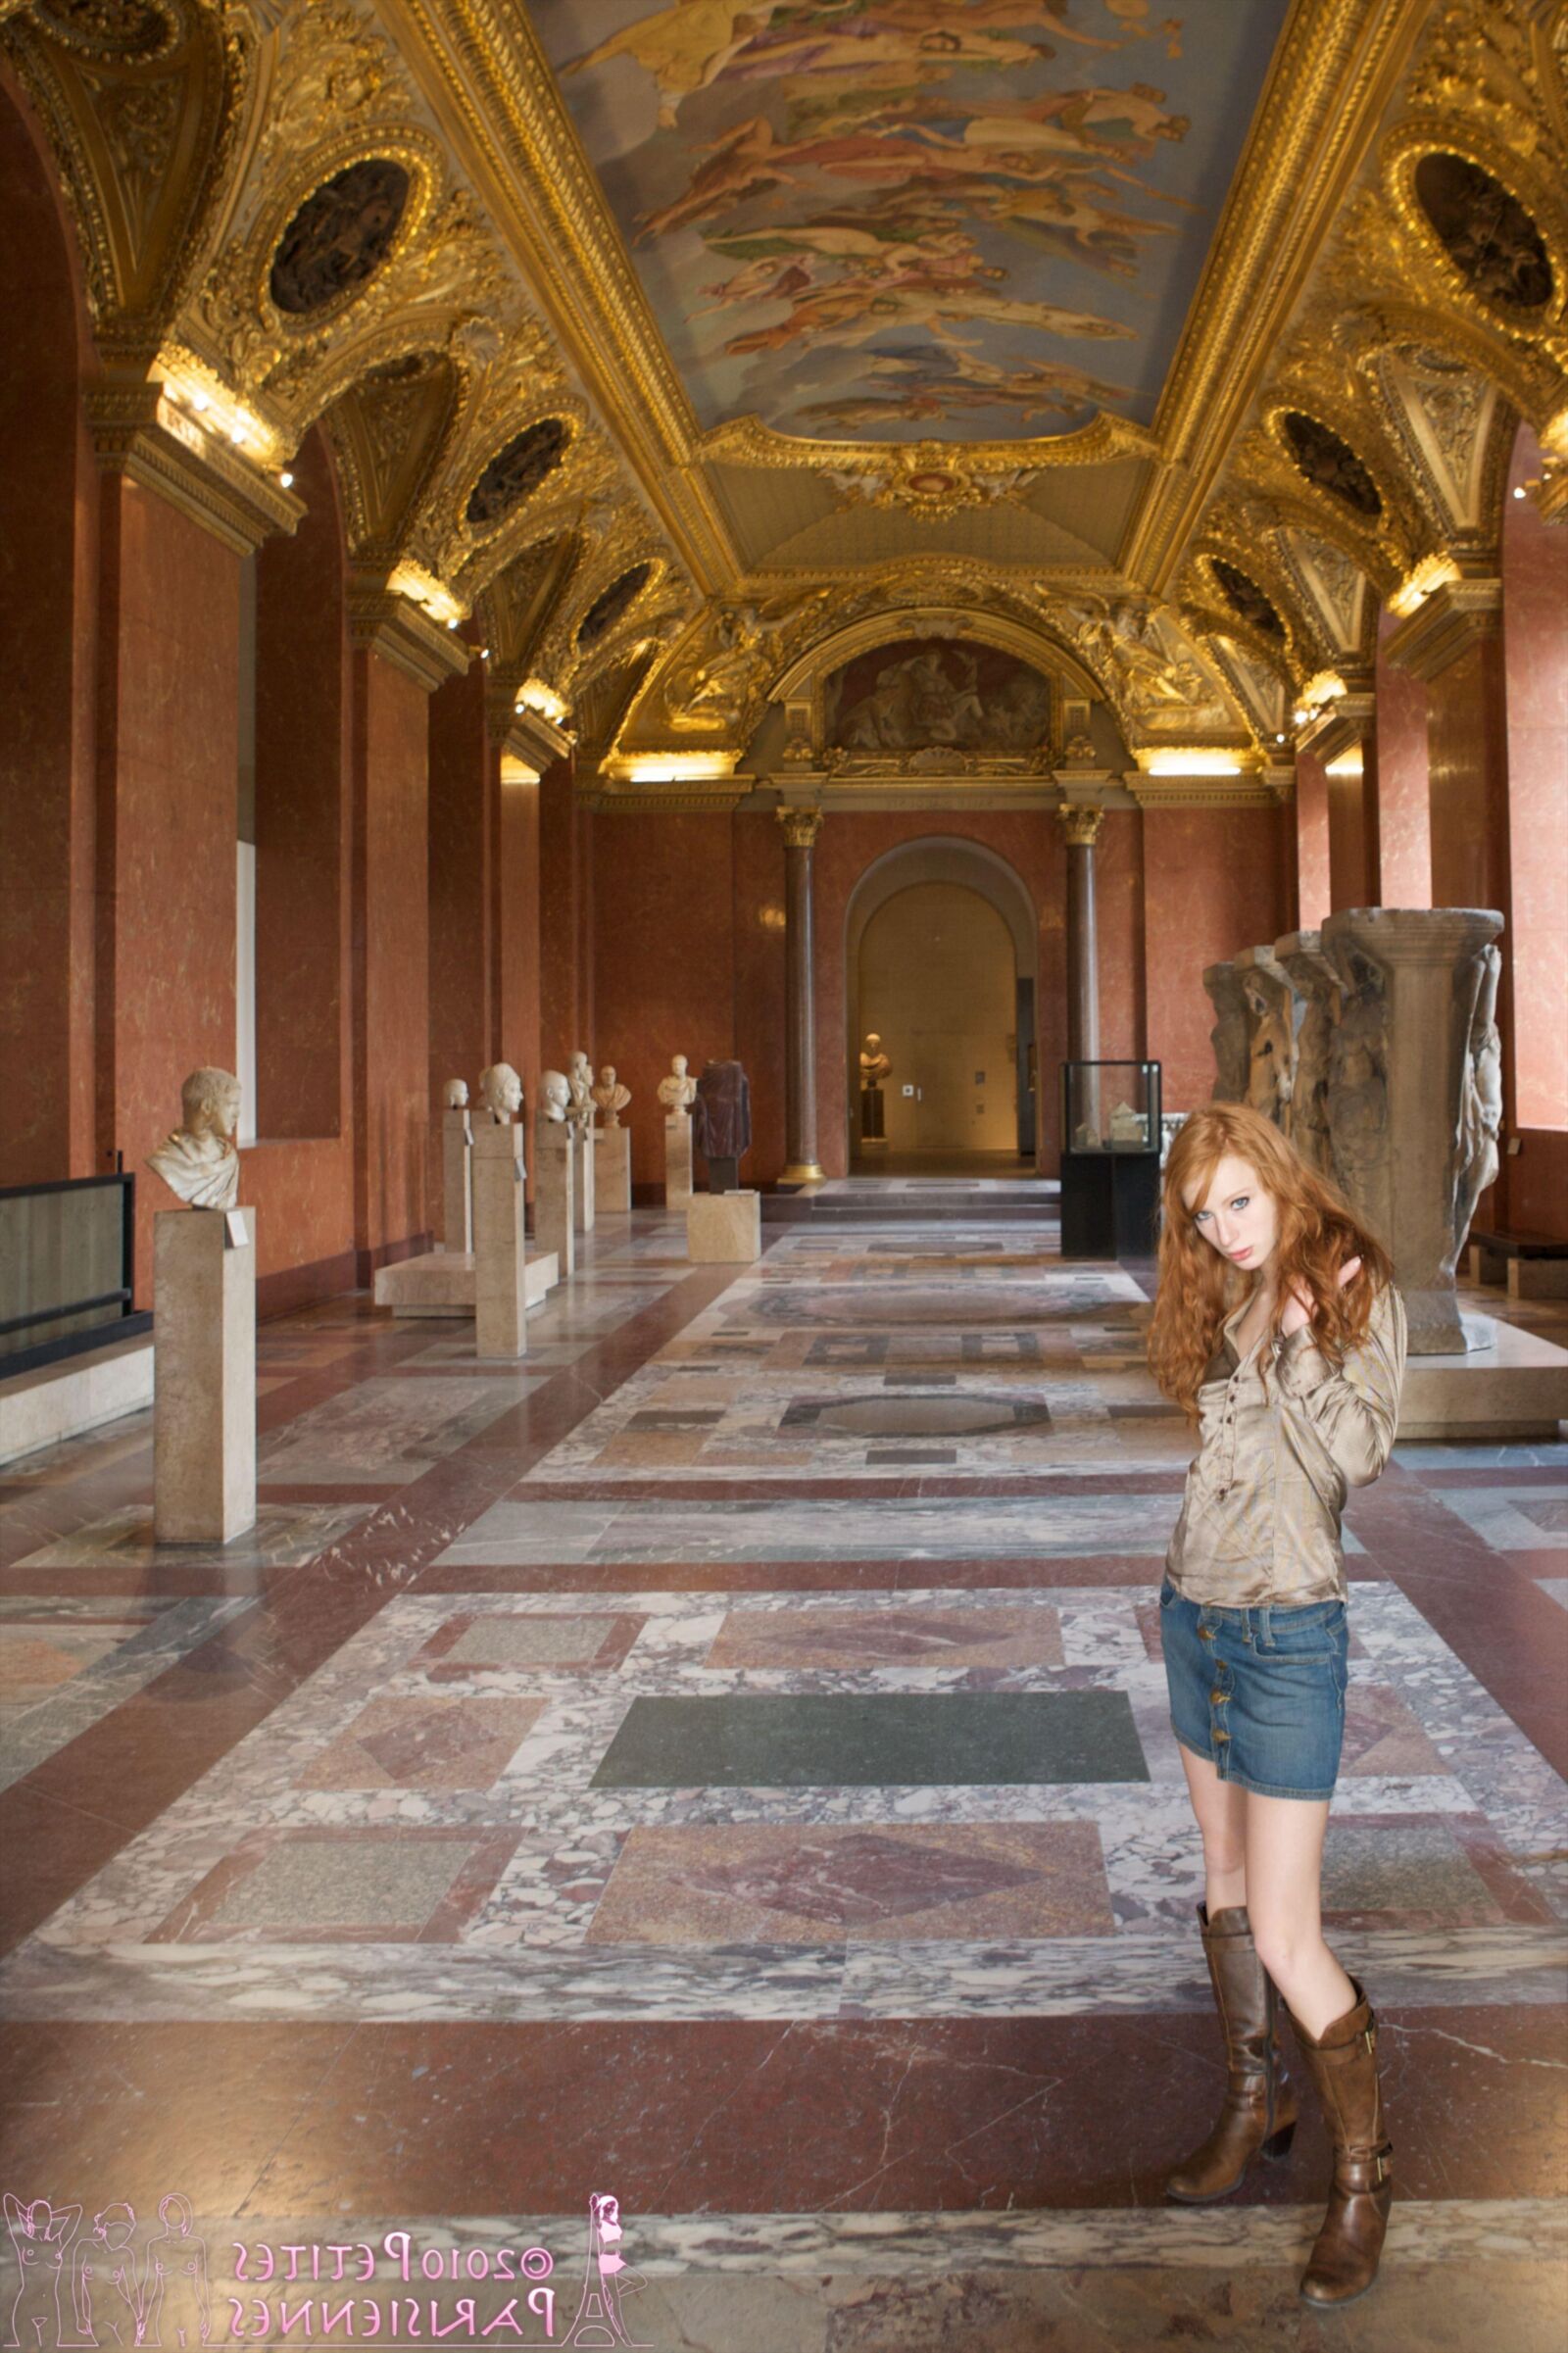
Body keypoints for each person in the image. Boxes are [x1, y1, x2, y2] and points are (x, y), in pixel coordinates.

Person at [1146, 1101, 1406, 2309]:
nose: (1228, 1231)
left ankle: (1363, 2174)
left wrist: (1301, 1339)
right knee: (1222, 1873)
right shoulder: (1228, 1290)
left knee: (1287, 1931)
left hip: (1290, 1635)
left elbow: (1355, 1458)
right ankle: (1259, 2103)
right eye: (1206, 1216)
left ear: (1282, 1179)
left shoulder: (1351, 1282)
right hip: (1194, 1614)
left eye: (1240, 1203)